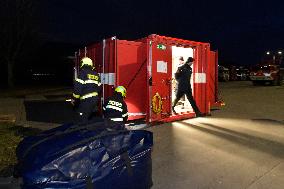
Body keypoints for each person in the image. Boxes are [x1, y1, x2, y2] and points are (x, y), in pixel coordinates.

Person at [71, 57, 102, 123]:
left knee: (81, 119)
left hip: (86, 100)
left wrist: (74, 99)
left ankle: (83, 132)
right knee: (89, 117)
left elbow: (77, 88)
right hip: (95, 100)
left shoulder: (82, 73)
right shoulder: (96, 74)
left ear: (82, 64)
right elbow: (99, 88)